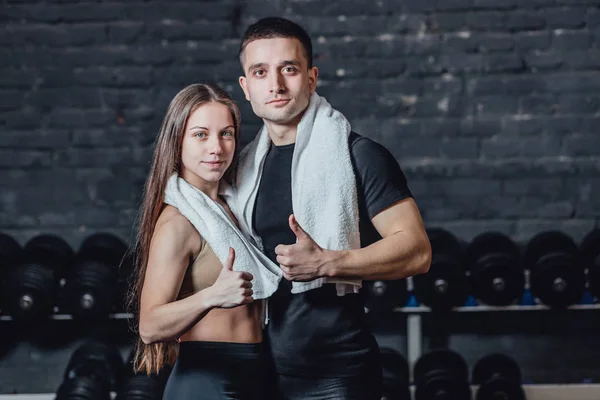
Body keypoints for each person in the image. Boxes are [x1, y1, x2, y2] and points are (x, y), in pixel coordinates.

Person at [232, 17, 433, 399]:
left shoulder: (357, 155)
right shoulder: (243, 170)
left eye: (288, 69)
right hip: (260, 370)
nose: (274, 85)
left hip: (336, 375)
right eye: (260, 72)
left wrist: (328, 263)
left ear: (311, 77)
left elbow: (418, 250)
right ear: (246, 86)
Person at [127, 83, 277, 400]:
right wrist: (212, 296)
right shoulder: (179, 222)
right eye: (200, 134)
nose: (216, 147)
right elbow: (149, 325)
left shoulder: (233, 209)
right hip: (207, 381)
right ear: (177, 141)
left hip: (256, 374)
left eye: (226, 134)